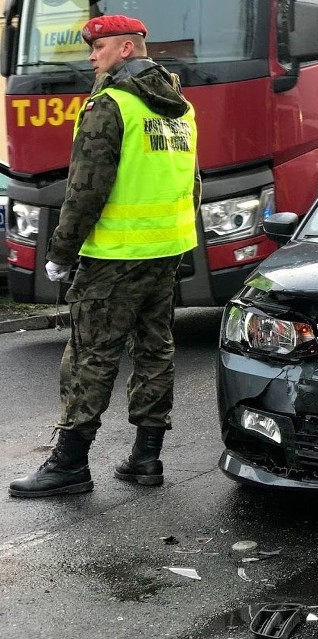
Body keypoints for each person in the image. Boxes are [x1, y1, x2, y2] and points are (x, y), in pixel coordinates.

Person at [9, 15, 200, 498]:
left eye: (99, 48)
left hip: (114, 255)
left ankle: (69, 464)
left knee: (90, 356)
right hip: (166, 250)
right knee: (155, 349)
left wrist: (60, 252)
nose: (92, 57)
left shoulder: (110, 103)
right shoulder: (180, 107)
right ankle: (145, 458)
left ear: (127, 51)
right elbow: (192, 182)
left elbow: (86, 190)